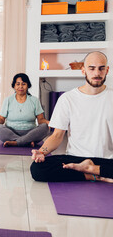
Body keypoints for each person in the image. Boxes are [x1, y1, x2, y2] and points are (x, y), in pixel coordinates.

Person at [30, 51, 113, 183]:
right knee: (37, 169)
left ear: (107, 70)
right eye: (91, 68)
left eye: (101, 68)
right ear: (83, 70)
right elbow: (57, 136)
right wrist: (41, 152)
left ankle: (93, 170)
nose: (97, 73)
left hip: (107, 159)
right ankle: (92, 174)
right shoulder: (67, 99)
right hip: (76, 158)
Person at [0, 73, 50, 147]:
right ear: (14, 86)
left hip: (30, 132)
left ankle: (16, 142)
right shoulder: (8, 100)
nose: (20, 86)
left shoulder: (34, 100)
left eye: (23, 84)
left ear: (27, 86)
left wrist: (49, 122)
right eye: (18, 84)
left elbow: (41, 120)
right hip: (10, 132)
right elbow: (1, 119)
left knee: (45, 127)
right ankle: (26, 141)